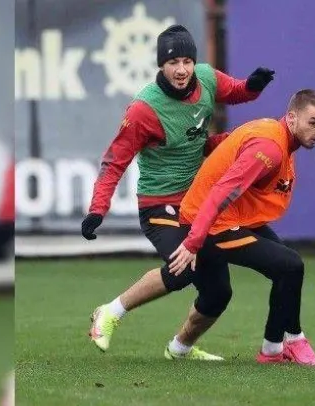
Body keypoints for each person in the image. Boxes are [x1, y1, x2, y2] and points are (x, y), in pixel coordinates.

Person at [83, 24, 275, 361]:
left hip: (198, 201)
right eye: (173, 63)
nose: (182, 69)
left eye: (187, 61)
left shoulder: (207, 78)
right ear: (161, 65)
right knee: (181, 268)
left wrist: (252, 86)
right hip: (160, 206)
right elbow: (114, 163)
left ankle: (180, 349)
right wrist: (97, 210)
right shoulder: (144, 110)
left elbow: (236, 91)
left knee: (218, 292)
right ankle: (110, 312)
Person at [166, 89, 315, 366]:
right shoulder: (270, 148)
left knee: (287, 269)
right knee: (290, 264)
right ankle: (294, 340)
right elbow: (221, 191)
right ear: (291, 118)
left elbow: (232, 141)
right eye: (313, 123)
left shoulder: (276, 134)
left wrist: (210, 146)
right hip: (209, 224)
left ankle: (272, 350)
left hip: (229, 218)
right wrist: (193, 241)